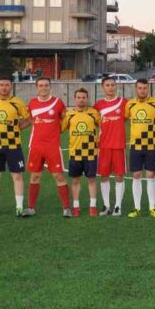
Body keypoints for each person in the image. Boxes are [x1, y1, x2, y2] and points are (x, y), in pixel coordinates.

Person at [0, 77, 31, 218]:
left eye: (7, 85)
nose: (4, 87)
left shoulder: (18, 103)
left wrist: (19, 127)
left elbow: (28, 118)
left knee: (17, 176)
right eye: (1, 85)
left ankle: (20, 207)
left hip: (13, 145)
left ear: (11, 87)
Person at [23, 77, 70, 218]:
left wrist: (57, 131)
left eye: (46, 85)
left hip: (52, 146)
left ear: (50, 87)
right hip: (36, 146)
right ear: (37, 88)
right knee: (35, 176)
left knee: (58, 176)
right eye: (41, 85)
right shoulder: (32, 103)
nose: (43, 88)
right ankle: (31, 208)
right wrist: (15, 128)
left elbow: (65, 121)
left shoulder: (58, 103)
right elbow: (30, 120)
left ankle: (66, 208)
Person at [125, 79, 155, 218]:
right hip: (135, 145)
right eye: (140, 88)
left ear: (148, 89)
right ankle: (136, 208)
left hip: (151, 145)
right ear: (136, 89)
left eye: (145, 88)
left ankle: (152, 207)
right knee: (136, 175)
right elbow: (124, 118)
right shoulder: (130, 104)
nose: (142, 90)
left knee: (150, 175)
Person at [62, 88, 101, 217]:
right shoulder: (69, 114)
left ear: (87, 98)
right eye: (79, 97)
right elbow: (60, 129)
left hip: (91, 153)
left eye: (83, 97)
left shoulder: (94, 113)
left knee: (91, 180)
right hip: (75, 153)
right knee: (75, 181)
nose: (81, 100)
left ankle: (93, 206)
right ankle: (76, 206)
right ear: (75, 99)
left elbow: (103, 127)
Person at [94, 76, 127, 216]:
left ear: (116, 86)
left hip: (119, 145)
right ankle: (106, 206)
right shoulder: (98, 105)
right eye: (107, 85)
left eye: (113, 85)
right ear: (103, 87)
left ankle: (118, 206)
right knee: (104, 176)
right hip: (104, 146)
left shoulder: (124, 103)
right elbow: (94, 122)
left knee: (119, 176)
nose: (110, 87)